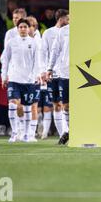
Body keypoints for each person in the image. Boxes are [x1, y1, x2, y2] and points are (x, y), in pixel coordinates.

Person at [1, 19, 42, 143]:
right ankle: (14, 133)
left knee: (28, 107)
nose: (23, 29)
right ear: (17, 28)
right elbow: (5, 60)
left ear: (29, 28)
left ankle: (26, 134)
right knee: (13, 104)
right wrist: (4, 76)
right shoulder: (11, 42)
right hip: (14, 79)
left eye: (25, 26)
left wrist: (36, 76)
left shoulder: (34, 43)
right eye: (20, 27)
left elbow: (37, 62)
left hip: (29, 80)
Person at [41, 9, 70, 140]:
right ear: (61, 18)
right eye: (67, 19)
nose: (69, 21)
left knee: (66, 104)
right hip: (53, 74)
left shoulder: (69, 32)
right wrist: (46, 70)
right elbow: (44, 53)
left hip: (66, 72)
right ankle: (62, 134)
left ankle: (68, 131)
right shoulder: (48, 33)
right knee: (56, 104)